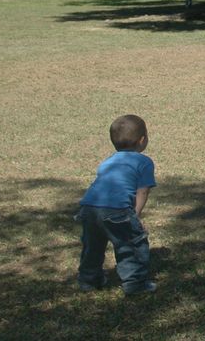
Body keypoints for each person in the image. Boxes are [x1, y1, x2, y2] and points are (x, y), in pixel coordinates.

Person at [75, 114, 157, 295]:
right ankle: (135, 284)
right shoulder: (144, 162)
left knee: (93, 246)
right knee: (131, 244)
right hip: (117, 210)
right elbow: (142, 191)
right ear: (142, 140)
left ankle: (89, 280)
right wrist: (135, 215)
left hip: (89, 208)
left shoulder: (109, 161)